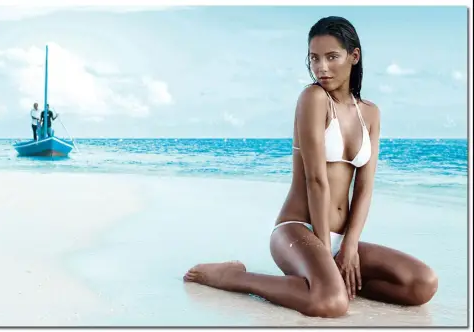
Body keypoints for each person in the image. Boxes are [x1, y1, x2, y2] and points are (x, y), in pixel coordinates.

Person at [183, 16, 438, 318]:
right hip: (299, 230)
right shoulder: (313, 98)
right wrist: (324, 249)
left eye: (332, 57)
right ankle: (234, 276)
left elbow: (365, 188)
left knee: (421, 284)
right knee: (329, 304)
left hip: (340, 238)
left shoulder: (370, 114)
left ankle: (331, 283)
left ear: (354, 57)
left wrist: (350, 246)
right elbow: (316, 180)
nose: (321, 68)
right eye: (314, 58)